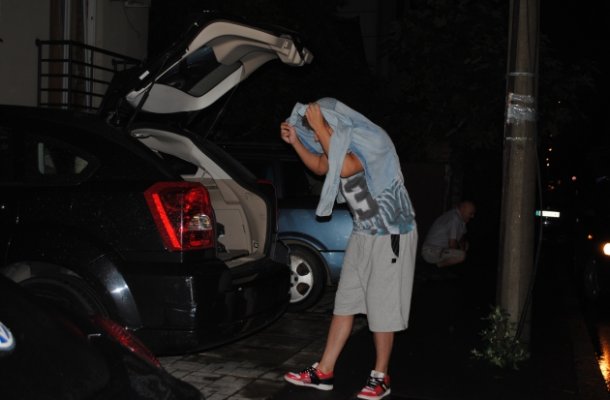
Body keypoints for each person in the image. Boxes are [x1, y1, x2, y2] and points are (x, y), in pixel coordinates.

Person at [279, 97, 417, 400]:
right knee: (345, 303)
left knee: (381, 306)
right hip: (363, 231)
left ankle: (381, 376)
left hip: (391, 232)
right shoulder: (336, 148)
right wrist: (296, 142)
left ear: (335, 127)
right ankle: (324, 371)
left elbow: (344, 168)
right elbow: (321, 166)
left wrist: (320, 127)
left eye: (320, 131)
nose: (316, 138)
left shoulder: (369, 147)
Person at [421, 200, 476, 268]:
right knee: (461, 255)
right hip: (430, 251)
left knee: (465, 247)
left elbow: (461, 237)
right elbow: (452, 244)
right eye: (470, 213)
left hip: (438, 250)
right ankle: (436, 267)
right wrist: (460, 250)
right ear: (462, 209)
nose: (472, 216)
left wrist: (463, 245)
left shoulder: (461, 220)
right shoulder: (454, 218)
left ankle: (438, 266)